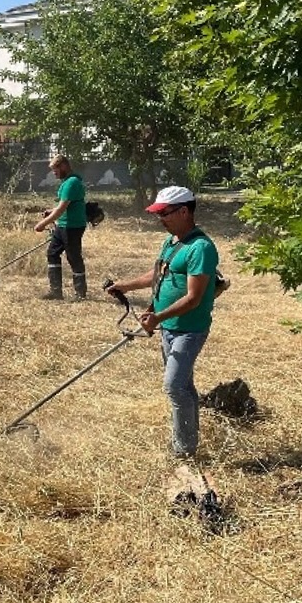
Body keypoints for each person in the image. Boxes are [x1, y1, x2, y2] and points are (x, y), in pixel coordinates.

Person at [106, 185, 220, 459]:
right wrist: (125, 286)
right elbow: (157, 276)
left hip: (189, 329)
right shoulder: (171, 242)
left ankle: (183, 450)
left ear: (184, 211)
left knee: (174, 386)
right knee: (184, 385)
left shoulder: (200, 248)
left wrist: (157, 316)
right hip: (170, 328)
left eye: (164, 213)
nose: (160, 219)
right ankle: (188, 444)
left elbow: (193, 298)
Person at [34, 154, 87, 300]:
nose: (54, 173)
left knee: (73, 257)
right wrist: (51, 211)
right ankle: (55, 291)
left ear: (63, 166)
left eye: (55, 170)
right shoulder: (68, 182)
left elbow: (61, 209)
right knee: (52, 253)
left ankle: (80, 293)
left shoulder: (72, 183)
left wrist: (42, 224)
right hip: (63, 225)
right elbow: (65, 205)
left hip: (72, 226)